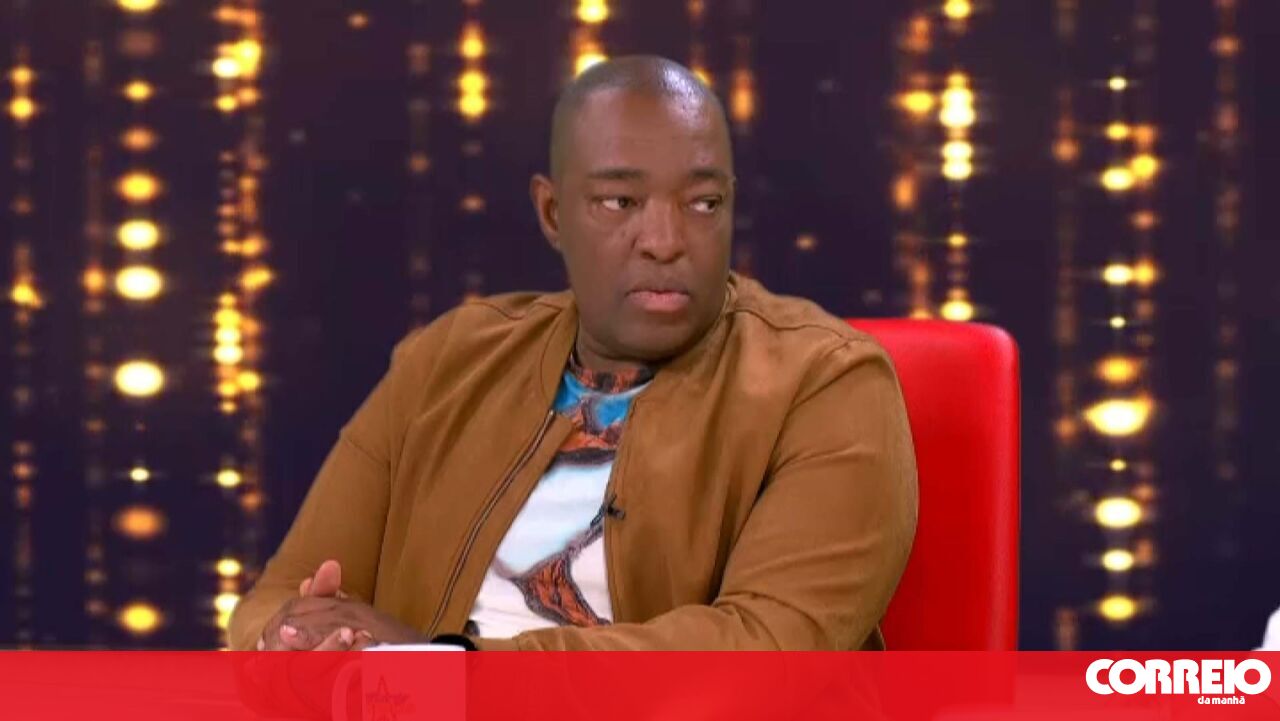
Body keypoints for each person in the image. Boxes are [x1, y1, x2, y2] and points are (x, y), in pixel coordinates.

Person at [228, 55, 917, 652]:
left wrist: (449, 670)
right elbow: (280, 594)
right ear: (553, 213)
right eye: (620, 202)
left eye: (703, 204)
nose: (665, 240)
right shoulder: (449, 360)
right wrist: (293, 640)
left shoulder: (827, 383)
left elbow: (763, 651)